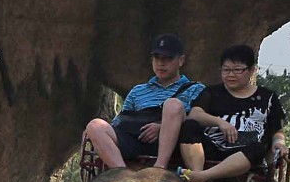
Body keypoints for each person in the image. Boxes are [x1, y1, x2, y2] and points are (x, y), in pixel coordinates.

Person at [81, 33, 202, 171]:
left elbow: (199, 122)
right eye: (157, 58)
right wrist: (93, 131)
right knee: (95, 125)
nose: (161, 63)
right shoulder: (138, 90)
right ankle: (121, 174)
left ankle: (160, 167)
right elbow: (121, 120)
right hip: (136, 139)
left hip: (174, 144)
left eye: (167, 59)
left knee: (173, 104)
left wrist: (163, 127)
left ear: (180, 60)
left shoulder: (196, 89)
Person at [178, 43, 287, 182]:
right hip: (212, 147)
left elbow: (277, 130)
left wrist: (279, 143)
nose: (231, 75)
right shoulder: (211, 92)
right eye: (226, 70)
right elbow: (195, 114)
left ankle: (200, 178)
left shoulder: (268, 97)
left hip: (245, 154)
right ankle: (198, 179)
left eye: (237, 70)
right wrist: (219, 122)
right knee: (189, 126)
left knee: (258, 148)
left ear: (252, 70)